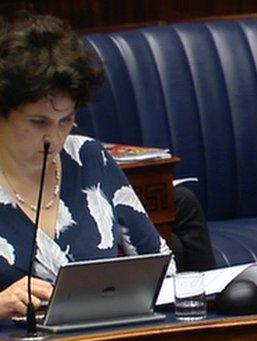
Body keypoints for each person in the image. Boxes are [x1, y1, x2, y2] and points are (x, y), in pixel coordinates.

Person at [0, 13, 175, 290]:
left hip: (104, 330)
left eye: (66, 120)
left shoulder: (87, 157)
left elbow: (161, 269)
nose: (54, 138)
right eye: (38, 122)